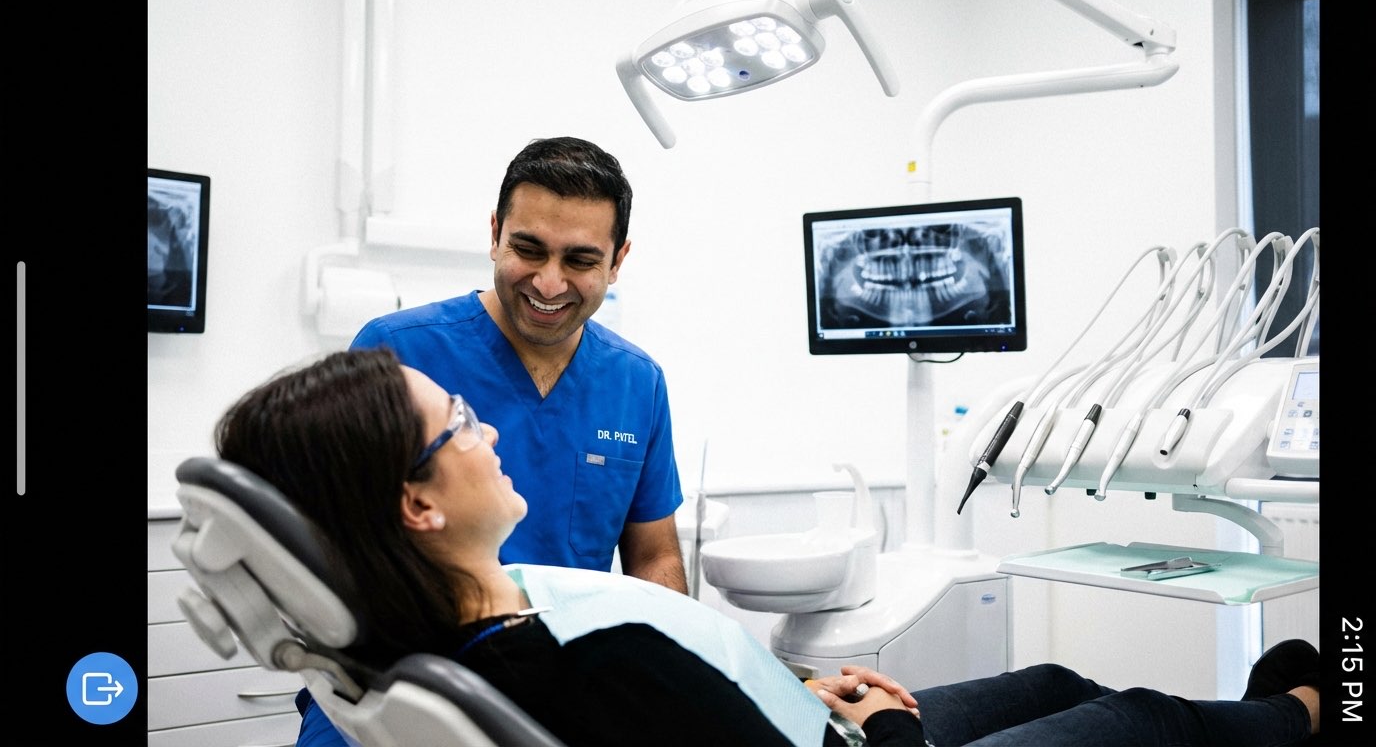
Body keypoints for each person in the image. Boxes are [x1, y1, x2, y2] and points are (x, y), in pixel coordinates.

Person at [216, 348, 1321, 747]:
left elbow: (689, 699)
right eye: (458, 424)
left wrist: (803, 690)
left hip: (803, 724)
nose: (490, 428)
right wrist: (884, 725)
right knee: (1142, 717)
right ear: (416, 507)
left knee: (1051, 676)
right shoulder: (586, 664)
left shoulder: (444, 650)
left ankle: (1274, 709)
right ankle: (1315, 712)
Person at [350, 136, 687, 594]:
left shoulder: (636, 383)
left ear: (616, 261)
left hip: (580, 655)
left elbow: (654, 556)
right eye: (528, 250)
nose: (549, 284)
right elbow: (344, 536)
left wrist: (667, 656)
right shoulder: (395, 353)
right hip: (438, 655)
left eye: (580, 260)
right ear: (495, 235)